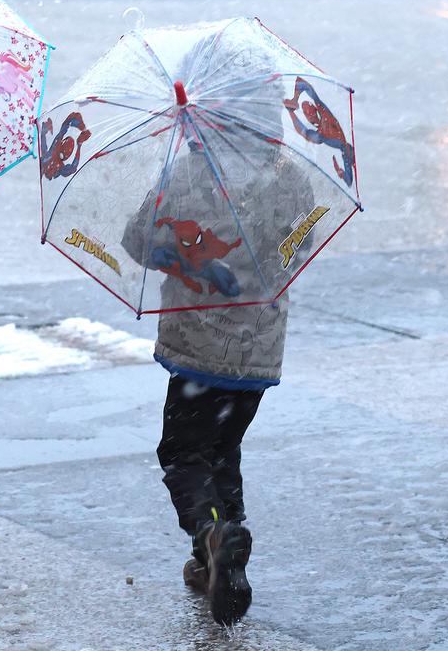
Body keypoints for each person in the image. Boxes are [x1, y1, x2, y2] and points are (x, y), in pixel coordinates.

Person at [119, 95, 314, 626]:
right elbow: (301, 245)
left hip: (197, 347)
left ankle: (212, 535)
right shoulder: (292, 178)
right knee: (224, 448)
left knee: (183, 455)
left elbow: (137, 240)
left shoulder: (185, 173)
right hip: (257, 351)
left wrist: (173, 244)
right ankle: (222, 556)